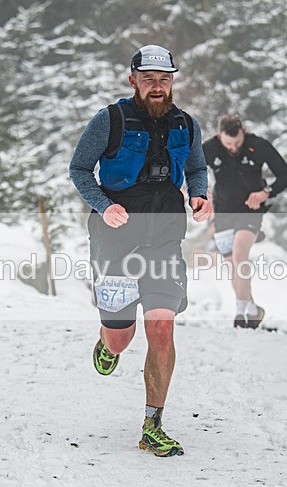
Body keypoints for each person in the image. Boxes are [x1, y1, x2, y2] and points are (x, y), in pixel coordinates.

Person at [69, 45, 212, 457]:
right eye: (148, 79)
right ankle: (106, 342)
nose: (157, 86)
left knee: (162, 327)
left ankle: (153, 423)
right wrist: (103, 204)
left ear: (172, 82)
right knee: (121, 338)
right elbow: (80, 169)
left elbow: (197, 168)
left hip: (165, 236)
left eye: (164, 79)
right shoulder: (109, 120)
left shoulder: (186, 124)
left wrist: (199, 196)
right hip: (116, 237)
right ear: (132, 79)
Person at [203, 115, 287, 328]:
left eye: (237, 143)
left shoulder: (258, 145)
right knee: (231, 266)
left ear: (243, 131)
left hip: (250, 209)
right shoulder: (210, 148)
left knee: (239, 255)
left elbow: (285, 175)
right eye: (228, 144)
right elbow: (187, 168)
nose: (233, 148)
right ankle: (253, 309)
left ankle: (239, 310)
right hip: (223, 211)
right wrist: (200, 191)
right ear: (219, 136)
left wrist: (265, 193)